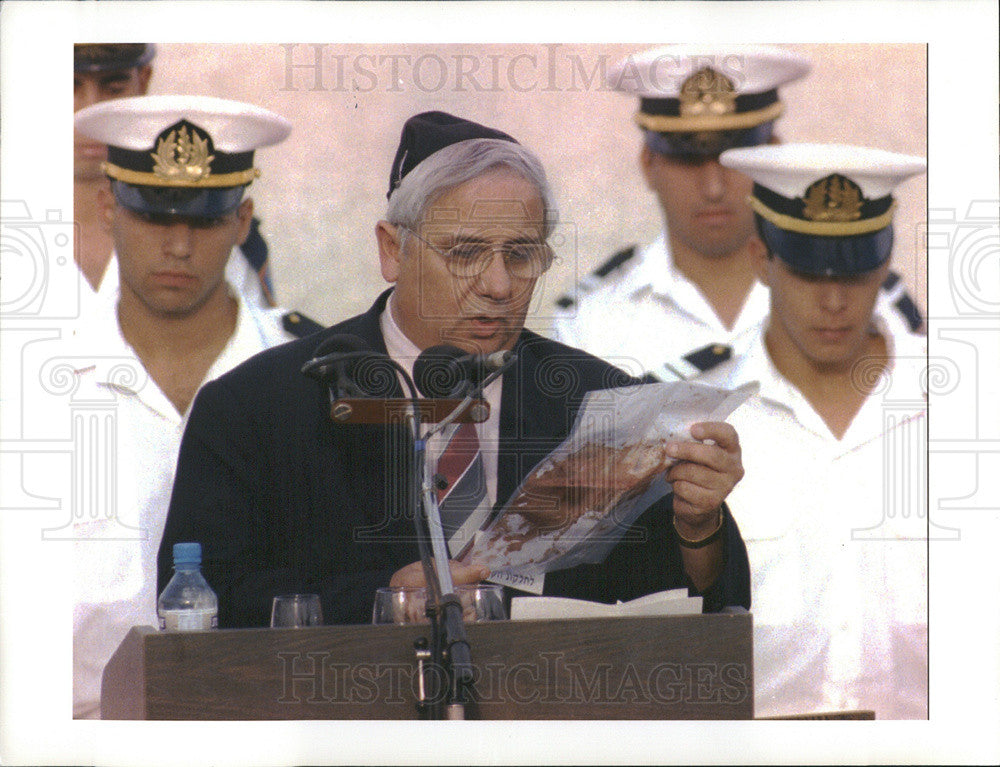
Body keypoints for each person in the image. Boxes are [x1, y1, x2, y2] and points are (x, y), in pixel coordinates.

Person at [157, 111, 751, 630]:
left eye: (521, 256)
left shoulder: (601, 404)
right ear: (392, 250)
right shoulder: (257, 408)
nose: (497, 286)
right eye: (465, 253)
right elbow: (204, 599)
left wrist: (697, 525)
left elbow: (683, 610)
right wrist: (381, 601)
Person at [70, 94, 301, 718]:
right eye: (153, 217)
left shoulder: (310, 376)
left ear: (243, 220)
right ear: (106, 207)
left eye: (204, 220)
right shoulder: (31, 384)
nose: (178, 247)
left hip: (267, 730)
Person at [700, 143, 928, 718]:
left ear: (885, 263)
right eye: (806, 272)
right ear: (761, 259)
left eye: (854, 274)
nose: (833, 301)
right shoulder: (704, 415)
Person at [552, 44, 924, 381]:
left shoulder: (880, 308)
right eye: (688, 159)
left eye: (735, 159)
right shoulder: (588, 322)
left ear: (774, 154)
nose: (713, 187)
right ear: (649, 163)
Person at [74, 43, 305, 324]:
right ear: (106, 209)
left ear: (143, 78)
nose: (88, 105)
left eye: (114, 87)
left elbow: (255, 350)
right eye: (68, 87)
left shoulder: (235, 243)